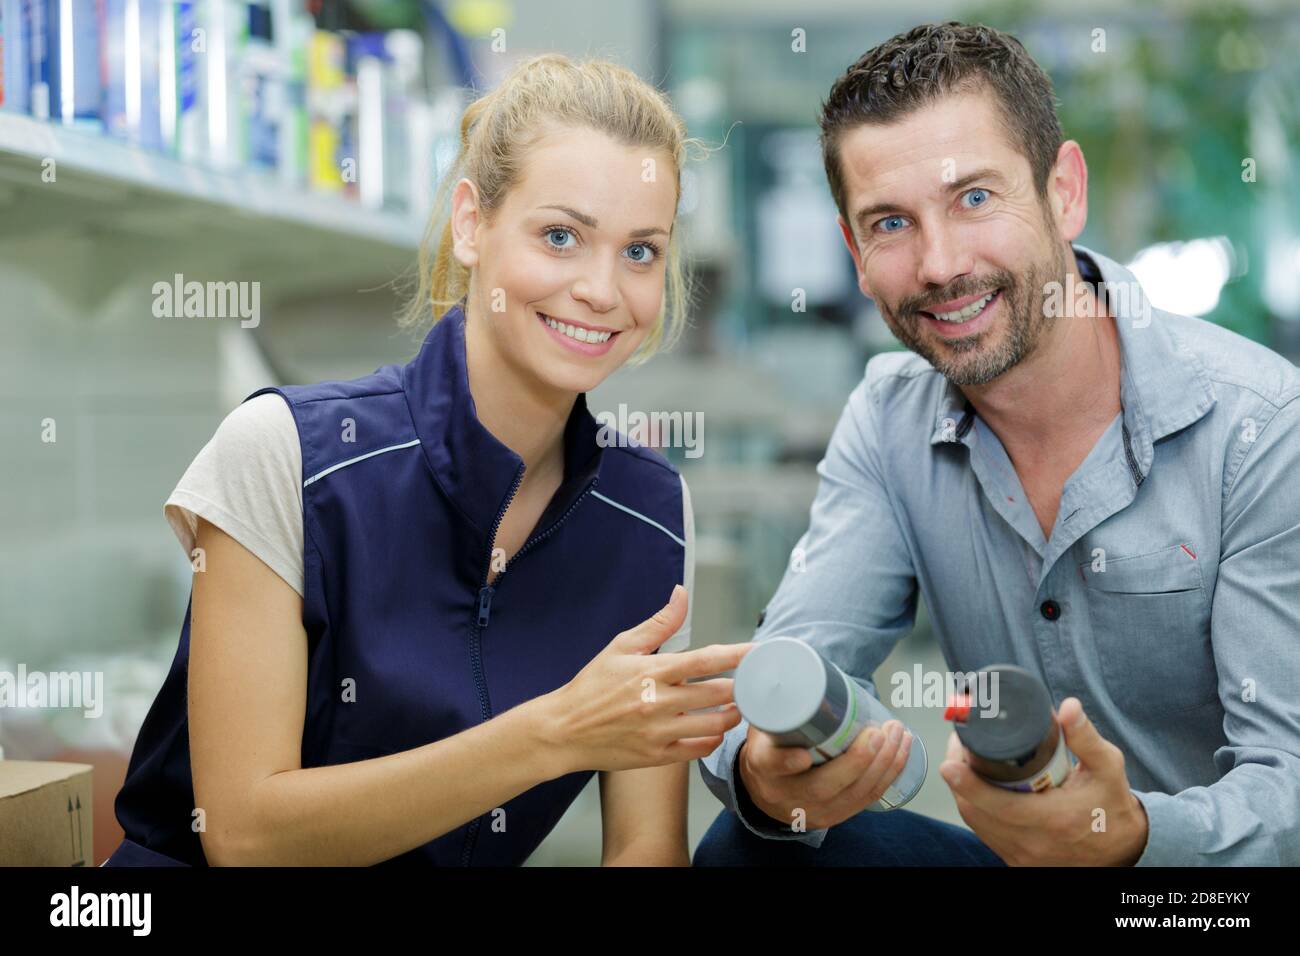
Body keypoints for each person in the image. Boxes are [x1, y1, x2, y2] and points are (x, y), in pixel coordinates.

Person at [105, 53, 748, 866]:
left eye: (641, 252)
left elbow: (645, 851)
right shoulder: (287, 453)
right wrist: (555, 734)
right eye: (561, 236)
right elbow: (244, 833)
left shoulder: (650, 514)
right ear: (471, 223)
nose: (601, 288)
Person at [695, 21, 1300, 866]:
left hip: (1191, 897)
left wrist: (1130, 835)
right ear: (855, 254)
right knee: (754, 847)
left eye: (974, 198)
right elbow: (791, 666)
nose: (940, 265)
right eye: (892, 223)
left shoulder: (1260, 427)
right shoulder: (889, 420)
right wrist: (768, 773)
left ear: (1064, 192)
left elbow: (1290, 787)